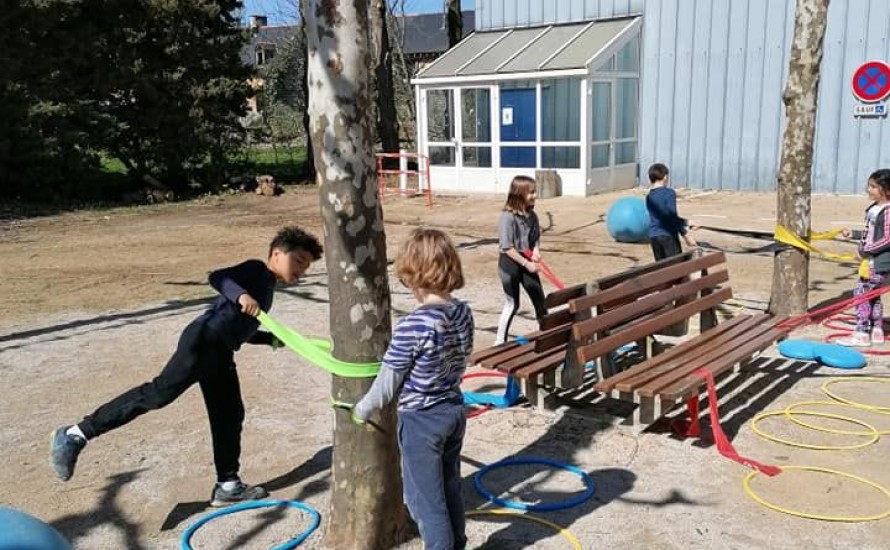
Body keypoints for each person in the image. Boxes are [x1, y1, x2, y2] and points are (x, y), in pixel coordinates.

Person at [50, 226, 323, 506]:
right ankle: (74, 434)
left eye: (306, 266)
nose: (302, 270)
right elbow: (218, 277)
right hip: (203, 341)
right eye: (299, 261)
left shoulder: (267, 288)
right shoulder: (256, 271)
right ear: (277, 253)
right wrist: (241, 296)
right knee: (157, 394)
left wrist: (271, 339)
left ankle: (228, 485)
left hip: (221, 350)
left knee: (230, 413)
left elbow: (239, 325)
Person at [352, 228, 473, 550]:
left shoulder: (413, 325)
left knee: (424, 502)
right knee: (449, 488)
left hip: (421, 420)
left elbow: (388, 382)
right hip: (454, 411)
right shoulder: (463, 311)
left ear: (414, 274)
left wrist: (362, 408)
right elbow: (462, 357)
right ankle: (457, 542)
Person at [838, 169, 890, 347]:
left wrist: (864, 251)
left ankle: (861, 332)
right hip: (873, 261)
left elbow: (887, 239)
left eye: (873, 187)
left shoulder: (888, 210)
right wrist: (854, 234)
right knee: (873, 295)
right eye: (869, 185)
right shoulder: (876, 209)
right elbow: (873, 234)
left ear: (887, 190)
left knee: (861, 294)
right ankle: (877, 330)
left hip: (879, 263)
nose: (868, 189)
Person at [495, 175, 547, 345]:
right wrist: (527, 264)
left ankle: (547, 335)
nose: (535, 196)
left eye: (535, 192)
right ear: (519, 194)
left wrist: (536, 251)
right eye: (531, 193)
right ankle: (499, 341)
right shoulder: (507, 217)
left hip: (527, 261)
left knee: (540, 300)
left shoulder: (532, 216)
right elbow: (506, 247)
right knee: (512, 304)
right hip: (510, 264)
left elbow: (535, 238)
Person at [646, 163, 699, 260]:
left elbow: (664, 216)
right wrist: (686, 234)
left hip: (654, 237)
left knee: (662, 270)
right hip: (668, 236)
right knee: (676, 268)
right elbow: (671, 217)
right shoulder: (669, 193)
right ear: (665, 177)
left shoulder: (649, 196)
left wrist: (687, 222)